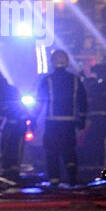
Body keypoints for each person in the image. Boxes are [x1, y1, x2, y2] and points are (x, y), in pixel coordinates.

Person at [35, 49, 87, 186]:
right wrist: (81, 121)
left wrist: (32, 119)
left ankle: (54, 181)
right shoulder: (76, 80)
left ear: (52, 62)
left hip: (52, 123)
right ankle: (72, 180)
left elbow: (40, 102)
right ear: (67, 62)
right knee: (69, 150)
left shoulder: (47, 80)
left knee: (52, 151)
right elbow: (83, 102)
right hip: (69, 123)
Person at [0, 66, 26, 183]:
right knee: (8, 148)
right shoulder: (9, 88)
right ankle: (9, 173)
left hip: (17, 124)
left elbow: (2, 111)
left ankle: (11, 175)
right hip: (15, 123)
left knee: (12, 148)